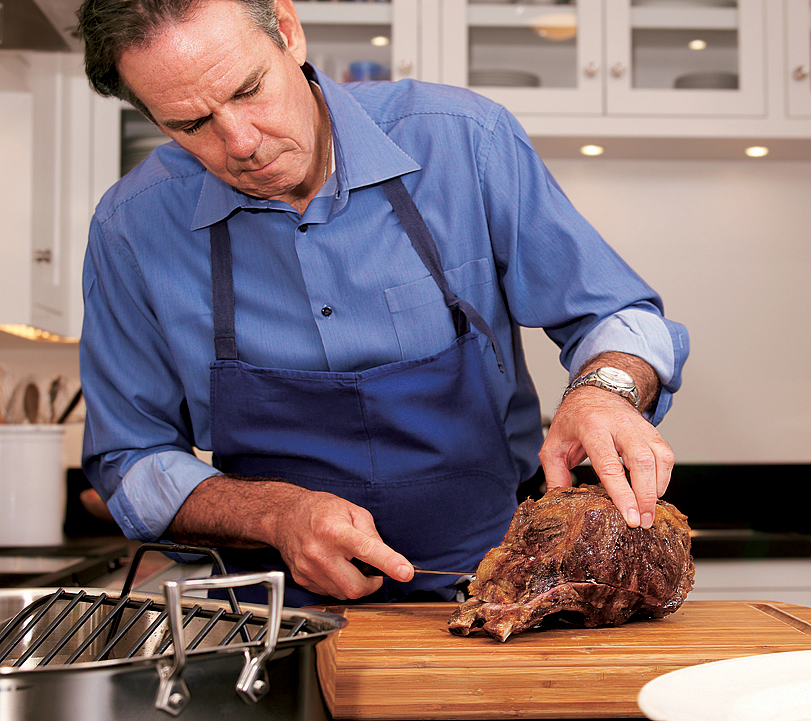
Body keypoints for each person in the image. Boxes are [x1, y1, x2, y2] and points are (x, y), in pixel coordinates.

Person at [76, 0, 689, 606]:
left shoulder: (464, 140)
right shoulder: (131, 226)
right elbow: (128, 461)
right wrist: (275, 514)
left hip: (501, 592)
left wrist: (606, 391)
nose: (239, 142)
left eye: (249, 90)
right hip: (267, 615)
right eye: (190, 125)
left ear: (287, 32)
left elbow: (618, 316)